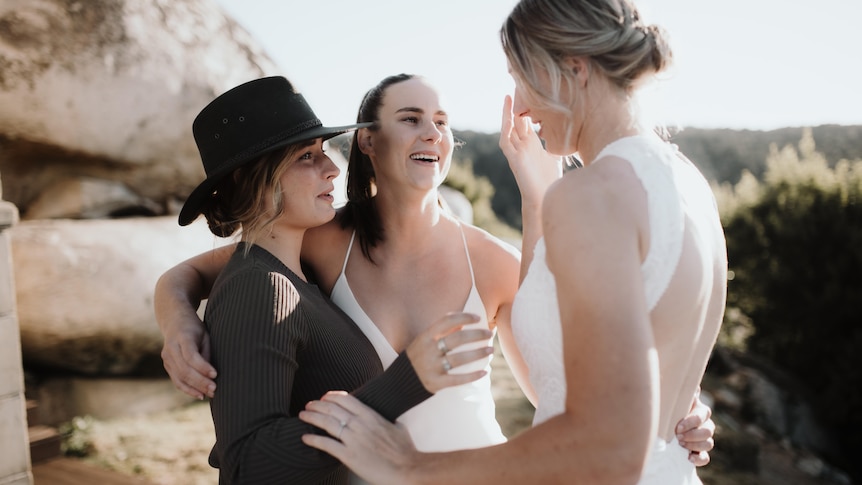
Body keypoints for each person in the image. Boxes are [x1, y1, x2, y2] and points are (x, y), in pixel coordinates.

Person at [155, 74, 715, 462]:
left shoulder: (492, 261)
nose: (432, 133)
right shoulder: (324, 241)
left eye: (442, 121)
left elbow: (562, 387)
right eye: (411, 118)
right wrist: (176, 318)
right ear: (369, 141)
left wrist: (674, 414)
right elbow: (202, 274)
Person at [296, 0, 727, 484]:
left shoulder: (590, 194)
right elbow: (629, 382)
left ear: (574, 69)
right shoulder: (688, 185)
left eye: (523, 78)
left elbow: (610, 445)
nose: (519, 105)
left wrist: (409, 466)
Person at [172, 75, 496, 484]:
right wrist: (408, 381)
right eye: (306, 157)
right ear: (247, 180)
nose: (330, 168)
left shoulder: (295, 276)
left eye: (323, 151)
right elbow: (248, 463)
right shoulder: (260, 286)